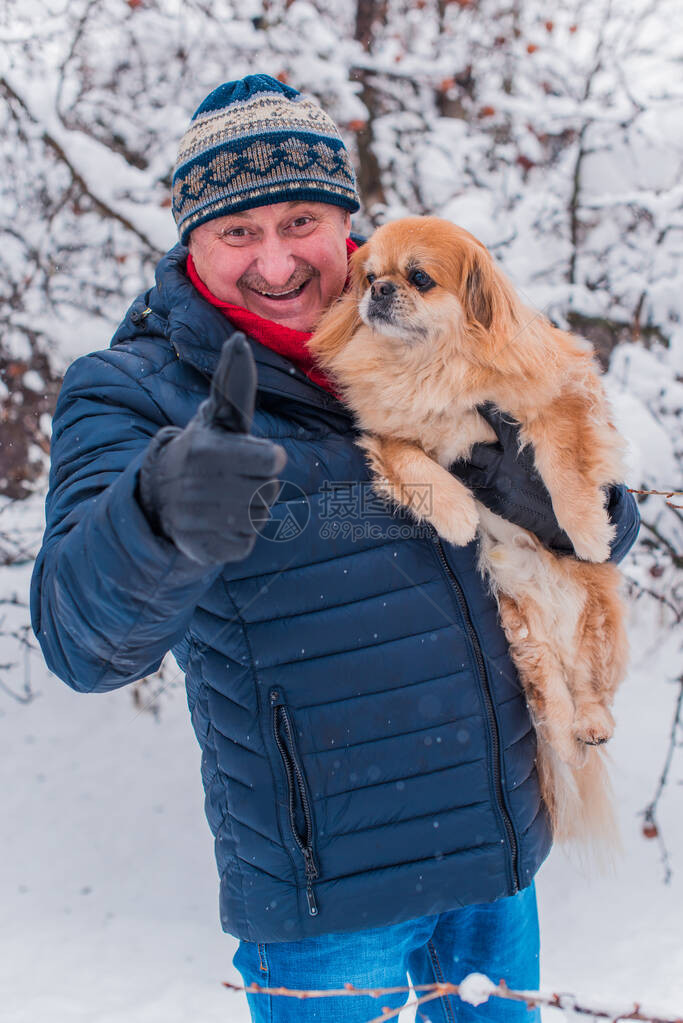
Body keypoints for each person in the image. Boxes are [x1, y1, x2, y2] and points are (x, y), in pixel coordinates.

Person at [30, 74, 640, 1022]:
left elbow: (594, 504)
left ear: (344, 221)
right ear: (191, 240)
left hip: (495, 852)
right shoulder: (134, 390)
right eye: (238, 232)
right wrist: (157, 513)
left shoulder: (432, 316)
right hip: (325, 890)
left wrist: (557, 498)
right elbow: (81, 638)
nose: (275, 261)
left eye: (300, 220)